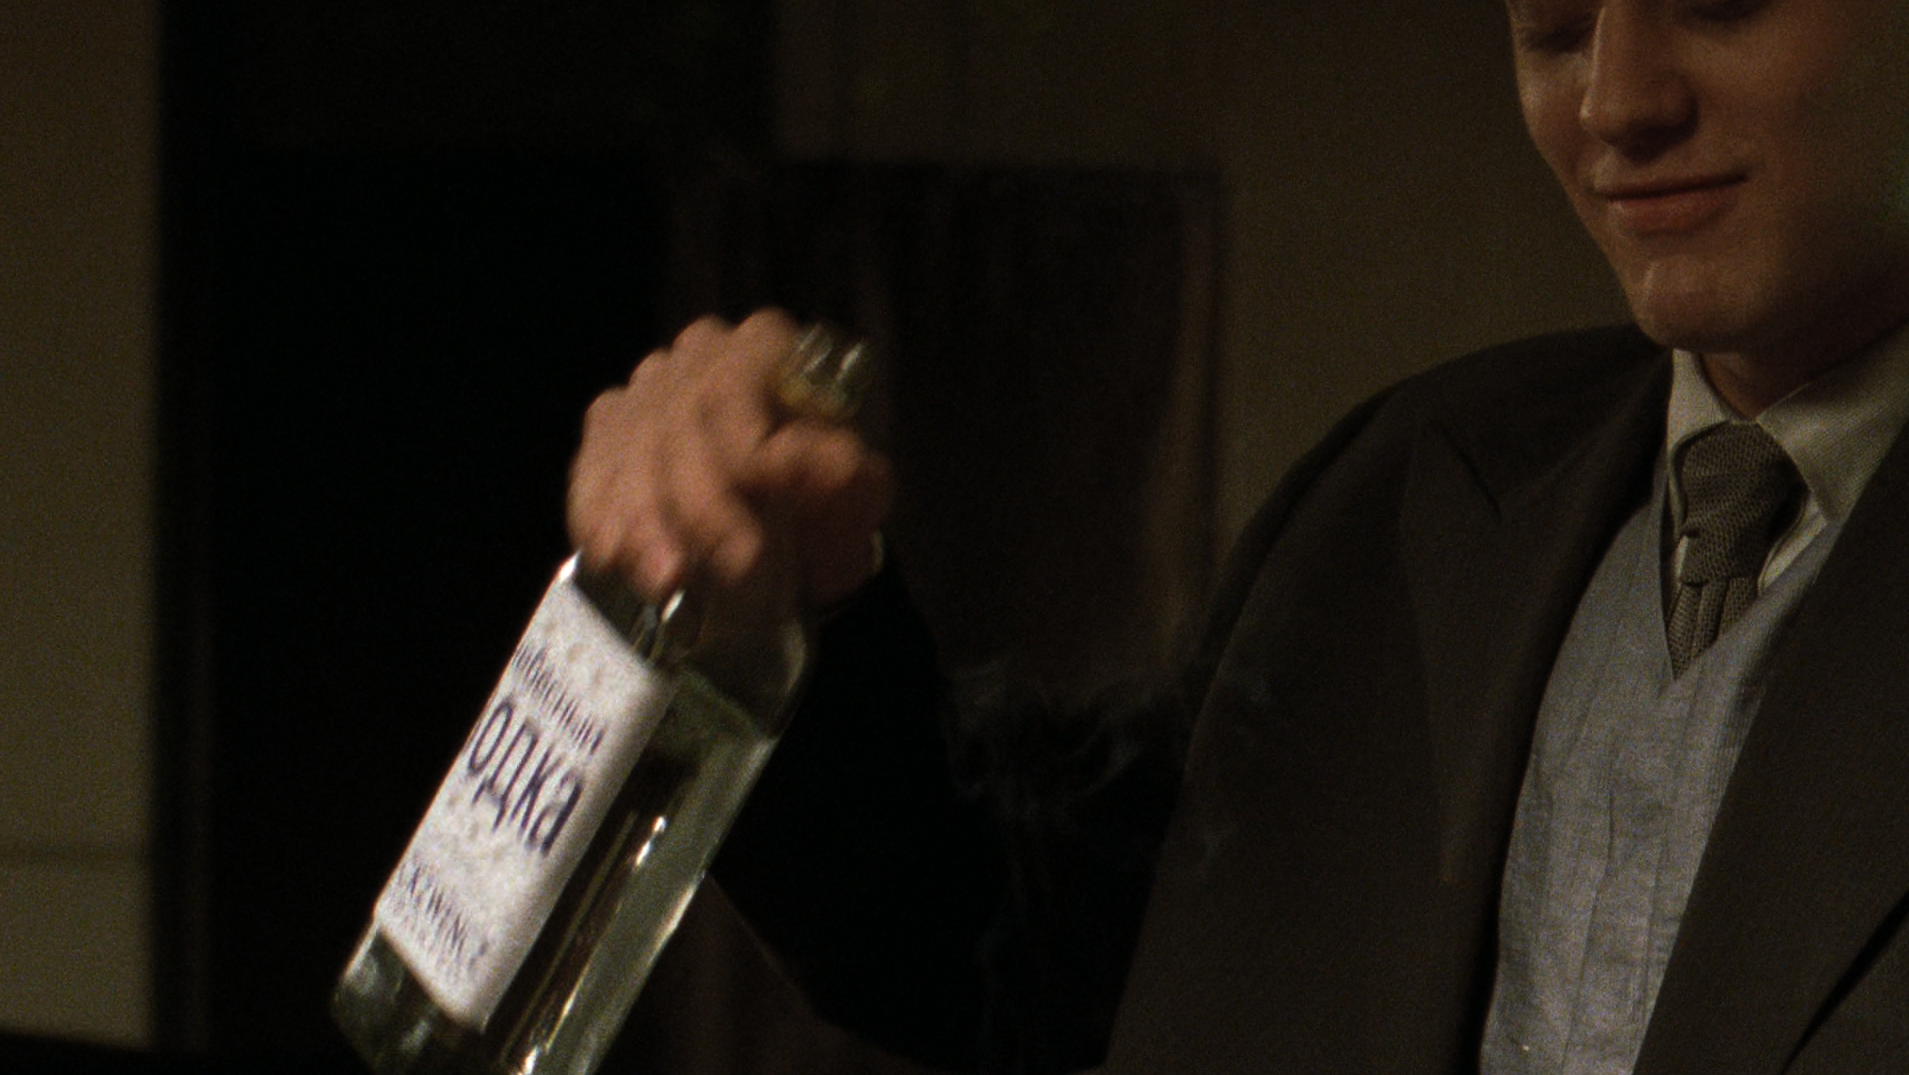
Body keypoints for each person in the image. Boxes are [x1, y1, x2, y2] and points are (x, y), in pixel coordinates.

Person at [567, 0, 1909, 1071]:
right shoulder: (1412, 489)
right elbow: (1018, 948)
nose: (1616, 102)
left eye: (1722, 3)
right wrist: (780, 611)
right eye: (1552, 28)